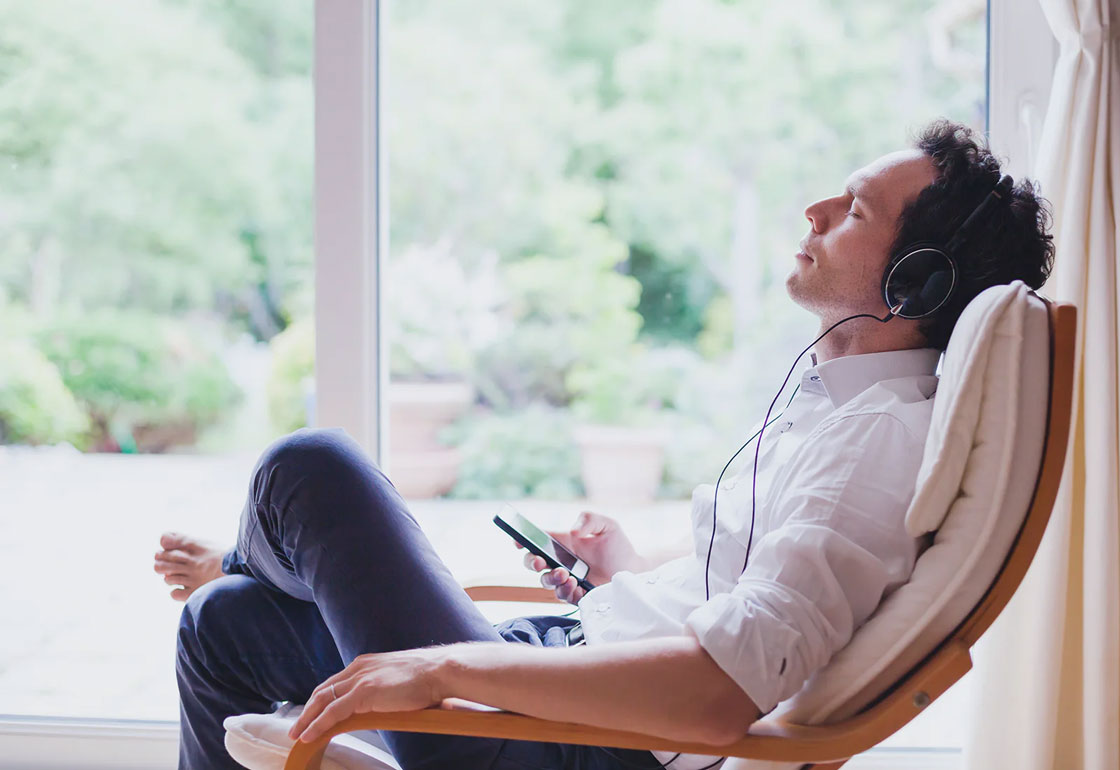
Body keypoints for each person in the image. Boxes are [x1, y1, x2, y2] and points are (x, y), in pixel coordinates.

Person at [155, 119, 1054, 770]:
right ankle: (246, 577)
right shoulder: (834, 410)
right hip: (566, 667)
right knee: (223, 628)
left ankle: (251, 560)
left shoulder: (875, 442)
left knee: (309, 469)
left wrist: (445, 665)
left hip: (570, 748)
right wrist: (626, 573)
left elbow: (716, 696)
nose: (815, 210)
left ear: (916, 279)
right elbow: (747, 612)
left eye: (855, 209)